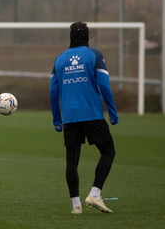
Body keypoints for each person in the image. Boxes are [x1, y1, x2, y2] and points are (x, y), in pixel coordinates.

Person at [50, 22, 119, 214]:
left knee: (71, 161)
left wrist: (57, 119)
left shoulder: (60, 59)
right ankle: (95, 194)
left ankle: (76, 206)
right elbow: (104, 86)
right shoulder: (94, 55)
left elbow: (53, 91)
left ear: (70, 36)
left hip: (70, 117)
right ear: (88, 36)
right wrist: (112, 113)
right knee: (108, 152)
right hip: (92, 114)